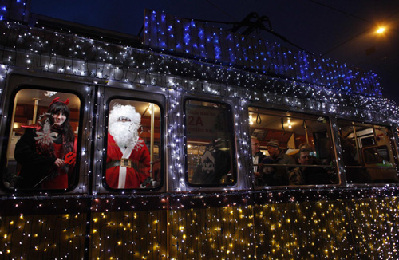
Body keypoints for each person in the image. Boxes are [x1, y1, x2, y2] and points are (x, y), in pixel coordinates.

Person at [15, 97, 77, 189]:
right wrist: (50, 160)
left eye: (63, 114)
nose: (60, 117)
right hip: (36, 180)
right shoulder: (35, 132)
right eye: (56, 114)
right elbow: (20, 154)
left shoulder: (69, 135)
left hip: (61, 181)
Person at [106, 104, 151, 189]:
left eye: (127, 119)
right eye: (120, 119)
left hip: (132, 183)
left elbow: (146, 165)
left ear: (133, 122)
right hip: (109, 183)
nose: (123, 121)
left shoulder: (140, 142)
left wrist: (143, 182)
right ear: (114, 122)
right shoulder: (106, 139)